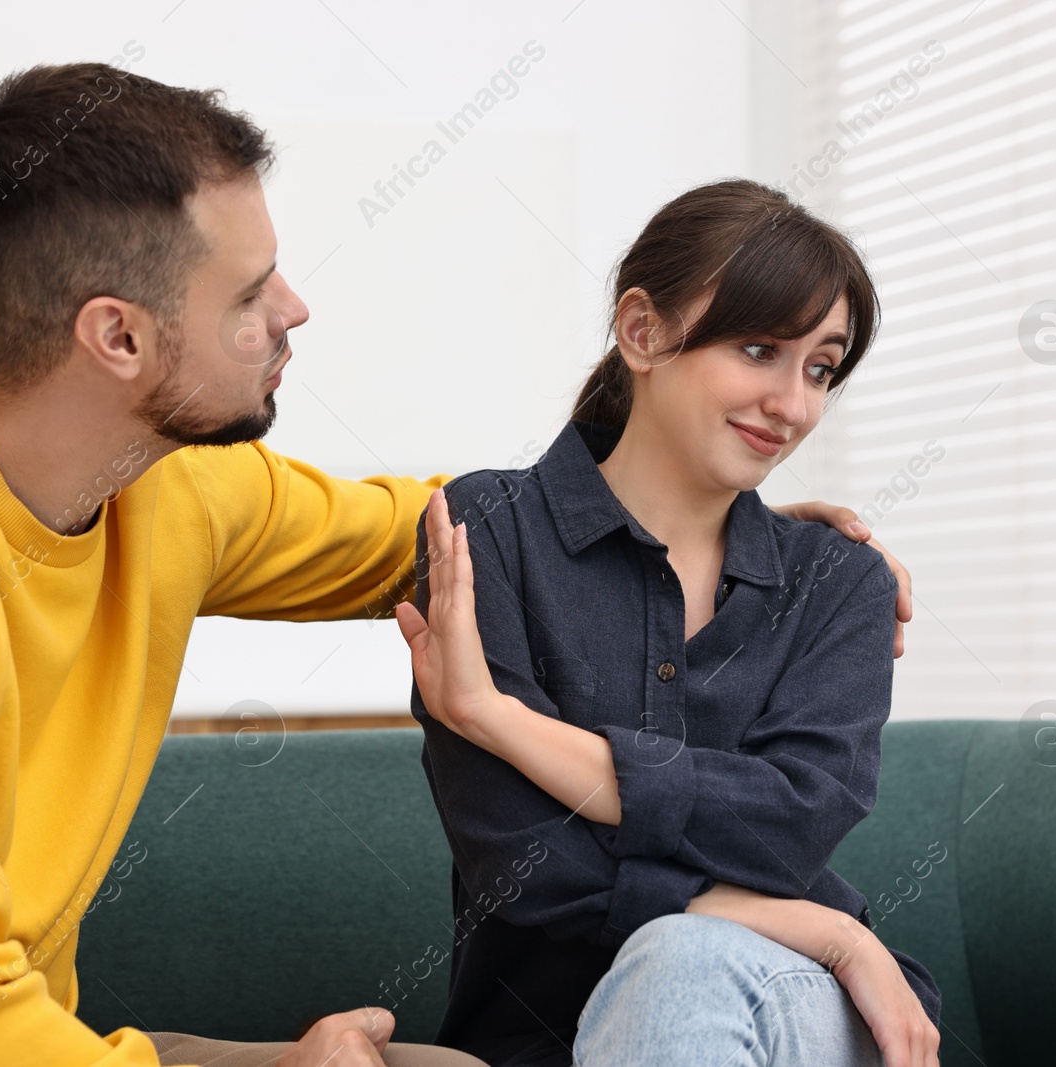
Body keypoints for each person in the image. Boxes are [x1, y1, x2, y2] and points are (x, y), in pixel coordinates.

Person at [0, 63, 907, 1067]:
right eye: (250, 293)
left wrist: (732, 512)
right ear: (119, 335)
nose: (295, 308)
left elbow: (475, 531)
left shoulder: (168, 483)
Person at [395, 180, 943, 1067]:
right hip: (545, 1037)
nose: (794, 405)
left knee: (685, 961)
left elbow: (794, 825)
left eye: (820, 368)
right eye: (759, 348)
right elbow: (524, 864)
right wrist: (822, 926)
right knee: (676, 960)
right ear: (642, 331)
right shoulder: (485, 530)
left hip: (796, 1008)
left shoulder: (839, 579)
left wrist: (504, 722)